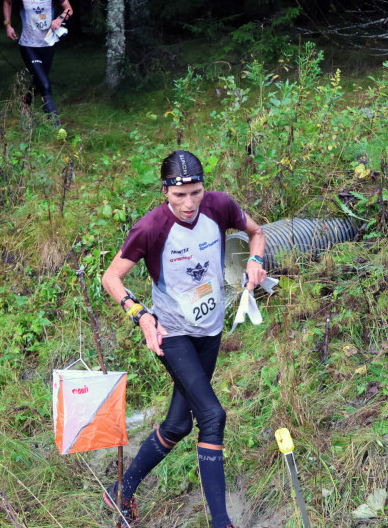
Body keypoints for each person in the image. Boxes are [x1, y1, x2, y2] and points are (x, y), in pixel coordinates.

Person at [100, 150, 267, 528]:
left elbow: (257, 233)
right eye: (179, 196)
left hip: (210, 330)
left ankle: (120, 491)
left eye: (195, 192)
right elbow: (111, 278)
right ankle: (222, 523)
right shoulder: (150, 228)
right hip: (171, 334)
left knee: (178, 424)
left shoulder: (220, 206)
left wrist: (256, 261)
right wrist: (140, 316)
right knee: (212, 415)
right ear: (165, 192)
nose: (189, 203)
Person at [2, 0, 72, 123]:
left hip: (48, 43)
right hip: (28, 45)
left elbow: (69, 9)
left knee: (39, 81)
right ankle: (56, 129)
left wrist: (59, 19)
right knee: (45, 85)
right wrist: (8, 25)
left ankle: (26, 102)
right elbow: (7, 2)